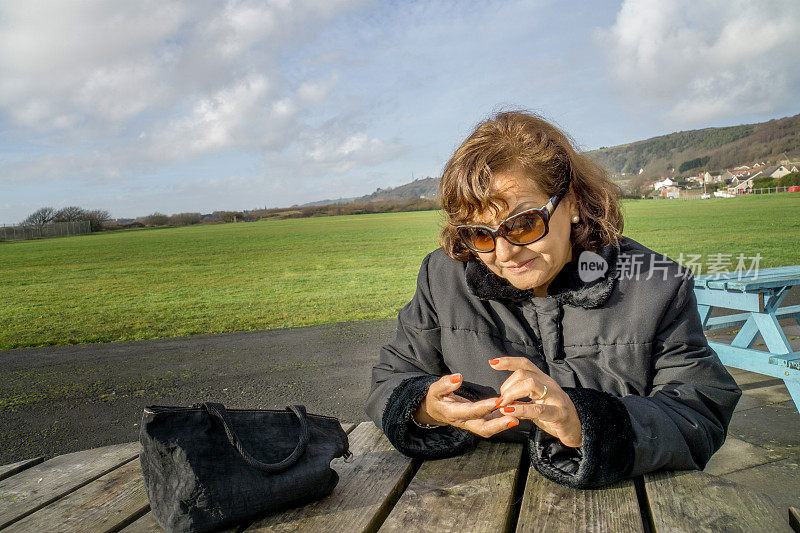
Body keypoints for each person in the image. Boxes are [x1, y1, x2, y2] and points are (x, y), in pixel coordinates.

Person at [363, 110, 742, 490]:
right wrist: (426, 408)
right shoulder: (443, 278)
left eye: (523, 223)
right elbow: (391, 380)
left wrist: (585, 423)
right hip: (466, 496)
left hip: (623, 502)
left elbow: (700, 409)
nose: (505, 252)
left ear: (573, 202)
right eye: (480, 235)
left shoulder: (655, 285)